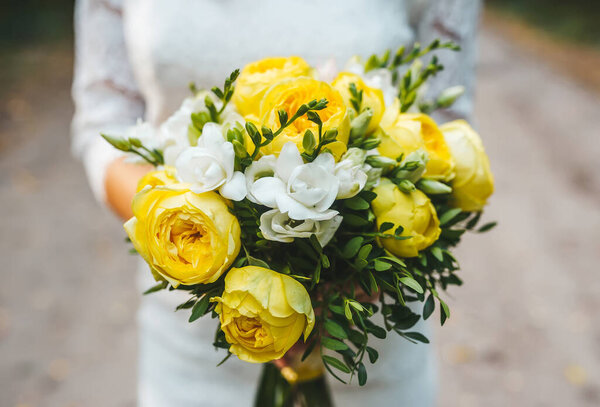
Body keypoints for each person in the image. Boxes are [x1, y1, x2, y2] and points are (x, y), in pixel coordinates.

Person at [71, 0, 481, 405]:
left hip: (366, 346)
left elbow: (445, 125)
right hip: (194, 361)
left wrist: (348, 268)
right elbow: (104, 123)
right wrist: (201, 234)